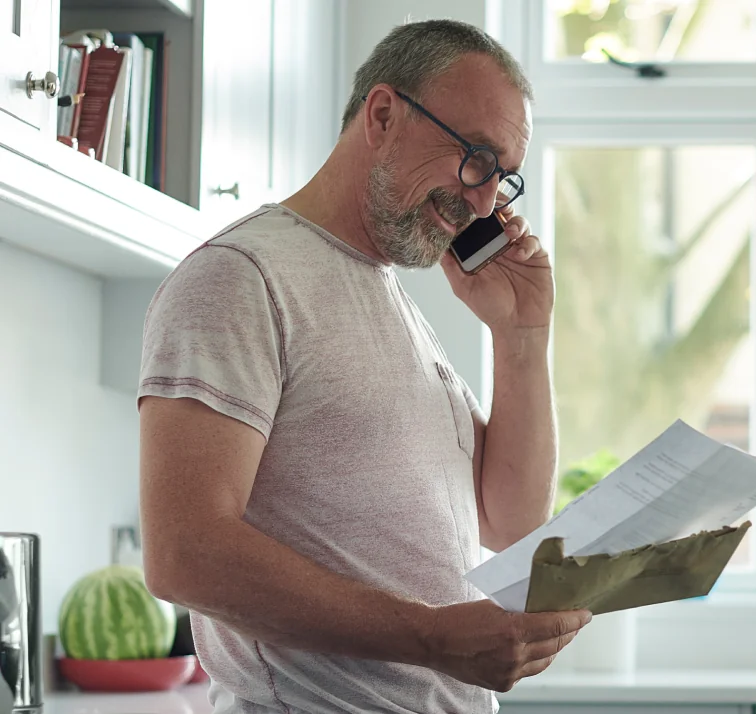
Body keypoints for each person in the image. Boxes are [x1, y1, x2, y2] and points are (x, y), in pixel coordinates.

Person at [137, 17, 591, 714]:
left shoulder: (389, 299)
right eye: (475, 158)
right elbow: (183, 551)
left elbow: (508, 521)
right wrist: (434, 638)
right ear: (383, 115)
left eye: (502, 179)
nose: (481, 201)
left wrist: (523, 336)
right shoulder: (242, 278)